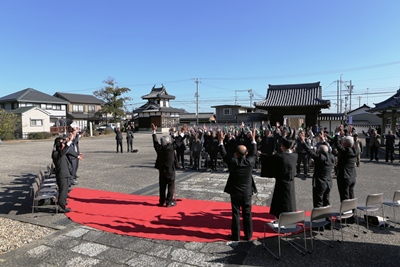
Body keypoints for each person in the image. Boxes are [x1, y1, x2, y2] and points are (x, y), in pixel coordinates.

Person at [218, 128, 258, 241]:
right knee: (247, 213)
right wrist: (253, 139)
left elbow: (224, 154)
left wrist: (221, 141)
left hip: (235, 191)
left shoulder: (233, 162)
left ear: (236, 154)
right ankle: (248, 235)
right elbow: (254, 152)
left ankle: (236, 236)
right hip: (247, 191)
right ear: (246, 153)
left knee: (235, 213)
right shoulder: (250, 162)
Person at [300, 134, 334, 208]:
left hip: (320, 184)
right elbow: (329, 149)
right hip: (328, 183)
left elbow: (310, 151)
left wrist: (303, 142)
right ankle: (328, 218)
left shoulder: (320, 158)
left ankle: (319, 219)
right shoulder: (331, 157)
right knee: (326, 201)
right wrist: (324, 141)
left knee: (318, 202)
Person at [52, 137, 82, 213]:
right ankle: (61, 208)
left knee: (64, 192)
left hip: (65, 174)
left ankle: (63, 204)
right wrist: (69, 142)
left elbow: (68, 152)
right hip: (62, 175)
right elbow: (63, 153)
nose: (64, 145)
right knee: (62, 192)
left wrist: (77, 155)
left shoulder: (60, 152)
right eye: (62, 143)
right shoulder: (56, 153)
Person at [269, 138, 298, 218]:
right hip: (290, 181)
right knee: (290, 199)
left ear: (283, 146)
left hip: (281, 181)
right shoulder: (295, 156)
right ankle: (290, 215)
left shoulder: (279, 156)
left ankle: (279, 218)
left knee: (280, 201)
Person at [152, 123, 177, 207]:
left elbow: (155, 142)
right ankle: (169, 202)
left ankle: (162, 201)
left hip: (162, 170)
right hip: (170, 171)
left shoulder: (159, 149)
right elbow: (178, 141)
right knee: (170, 186)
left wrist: (154, 132)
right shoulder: (170, 148)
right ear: (167, 142)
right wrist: (174, 133)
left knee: (162, 187)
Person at [334, 126, 359, 202]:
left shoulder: (345, 151)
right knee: (351, 195)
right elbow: (352, 142)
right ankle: (352, 212)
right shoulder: (355, 151)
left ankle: (346, 212)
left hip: (344, 177)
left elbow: (337, 144)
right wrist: (349, 134)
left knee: (344, 197)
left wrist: (337, 133)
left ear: (345, 143)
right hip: (352, 176)